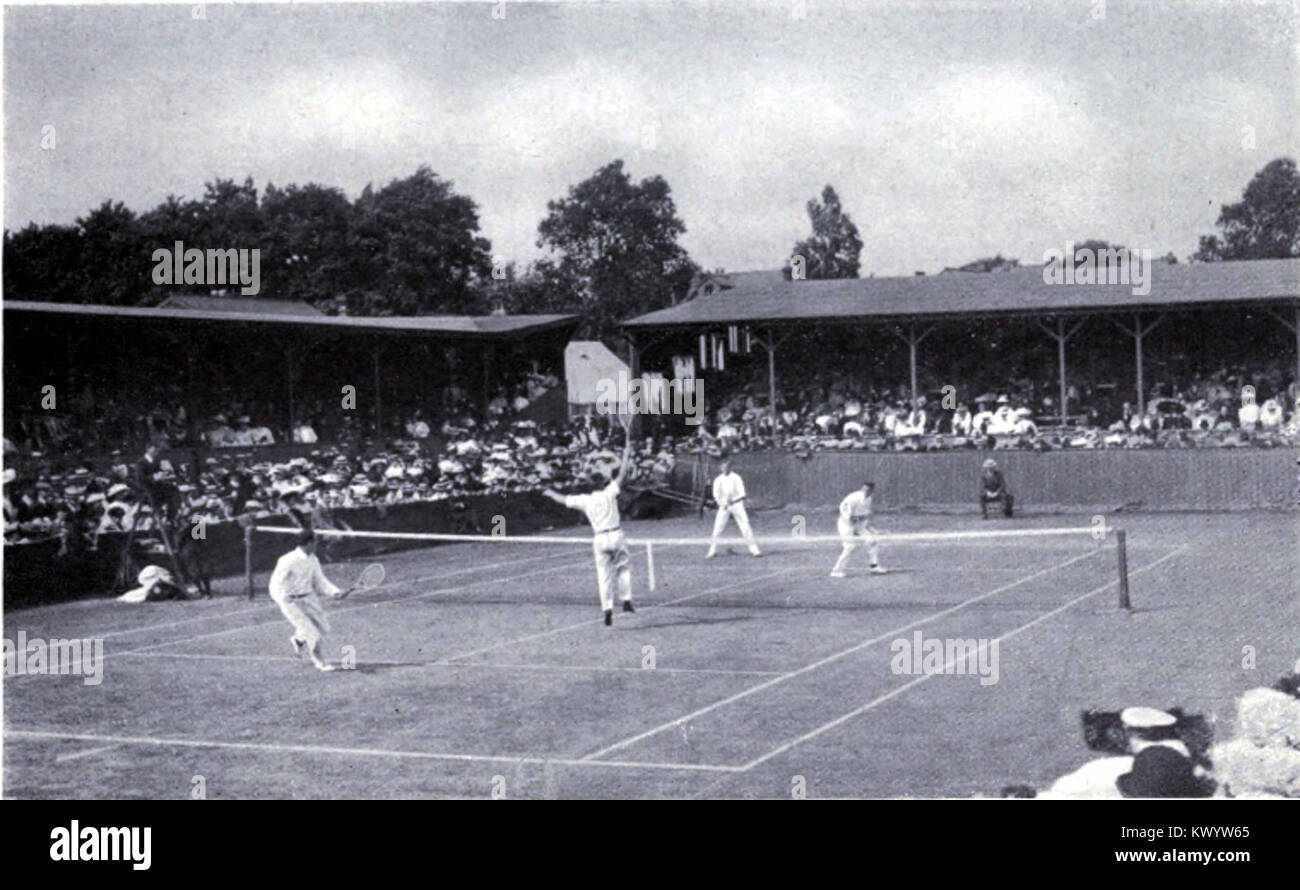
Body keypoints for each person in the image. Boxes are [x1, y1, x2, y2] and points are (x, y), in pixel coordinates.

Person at [543, 430, 635, 626]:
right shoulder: (609, 493)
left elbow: (561, 499)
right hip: (616, 534)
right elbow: (623, 473)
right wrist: (627, 454)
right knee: (623, 569)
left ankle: (607, 609)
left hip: (600, 539)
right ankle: (626, 601)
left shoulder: (584, 500)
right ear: (602, 482)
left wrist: (548, 492)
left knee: (603, 575)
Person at [268, 528, 350, 671]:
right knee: (313, 633)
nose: (317, 544)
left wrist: (334, 592)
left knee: (323, 628)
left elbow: (320, 581)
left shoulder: (313, 559)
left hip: (309, 598)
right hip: (291, 602)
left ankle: (299, 640)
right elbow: (275, 583)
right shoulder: (287, 560)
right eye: (315, 541)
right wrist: (282, 598)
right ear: (308, 543)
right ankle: (320, 662)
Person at [706, 457, 762, 558]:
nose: (725, 469)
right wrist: (723, 503)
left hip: (737, 505)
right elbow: (716, 495)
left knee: (745, 526)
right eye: (723, 467)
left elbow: (742, 493)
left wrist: (733, 500)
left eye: (727, 467)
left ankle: (754, 550)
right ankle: (712, 551)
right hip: (724, 506)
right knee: (718, 528)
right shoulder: (718, 480)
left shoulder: (736, 477)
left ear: (730, 467)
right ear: (720, 468)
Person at [830, 480, 885, 578]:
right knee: (850, 547)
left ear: (872, 491)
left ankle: (873, 566)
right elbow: (845, 513)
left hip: (858, 525)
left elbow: (864, 516)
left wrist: (868, 528)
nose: (865, 491)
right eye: (864, 489)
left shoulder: (869, 499)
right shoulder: (853, 498)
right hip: (845, 525)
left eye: (868, 490)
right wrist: (853, 526)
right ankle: (836, 570)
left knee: (872, 541)